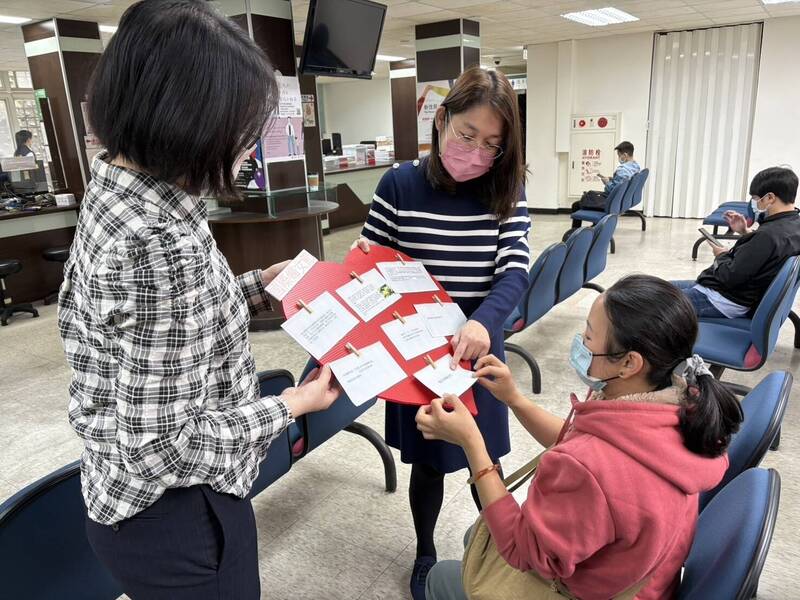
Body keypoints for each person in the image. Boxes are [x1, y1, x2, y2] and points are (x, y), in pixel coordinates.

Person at [58, 1, 339, 598]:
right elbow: (163, 448)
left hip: (130, 500)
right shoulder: (158, 242)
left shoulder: (124, 189)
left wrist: (256, 283)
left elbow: (153, 323)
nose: (249, 149)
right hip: (180, 514)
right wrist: (291, 403)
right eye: (241, 131)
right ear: (187, 121)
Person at [419, 274, 743, 600]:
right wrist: (514, 398)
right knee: (475, 536)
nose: (581, 343)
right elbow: (575, 439)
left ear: (629, 362)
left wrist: (473, 444)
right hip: (646, 582)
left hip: (589, 589)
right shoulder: (679, 406)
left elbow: (520, 549)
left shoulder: (587, 468)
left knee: (442, 576)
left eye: (589, 336)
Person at [353, 66, 531, 599]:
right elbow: (373, 259)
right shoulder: (400, 183)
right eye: (467, 136)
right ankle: (426, 551)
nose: (477, 152)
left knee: (486, 459)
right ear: (441, 120)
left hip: (478, 345)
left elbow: (515, 270)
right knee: (429, 463)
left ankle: (508, 553)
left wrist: (482, 321)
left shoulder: (508, 187)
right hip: (415, 347)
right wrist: (364, 269)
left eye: (492, 144)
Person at [674, 166, 800, 318]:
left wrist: (720, 255)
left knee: (645, 301)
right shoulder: (792, 225)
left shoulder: (767, 235)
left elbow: (728, 277)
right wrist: (745, 232)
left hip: (722, 300)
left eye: (755, 198)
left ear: (770, 198)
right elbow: (772, 250)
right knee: (656, 288)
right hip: (727, 293)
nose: (754, 202)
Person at [570, 141, 640, 229]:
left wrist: (607, 182)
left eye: (619, 155)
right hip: (621, 200)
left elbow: (613, 191)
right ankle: (596, 226)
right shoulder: (636, 167)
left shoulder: (622, 170)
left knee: (576, 205)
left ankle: (575, 233)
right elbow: (622, 184)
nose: (619, 158)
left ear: (625, 155)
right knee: (590, 197)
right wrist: (612, 179)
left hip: (612, 202)